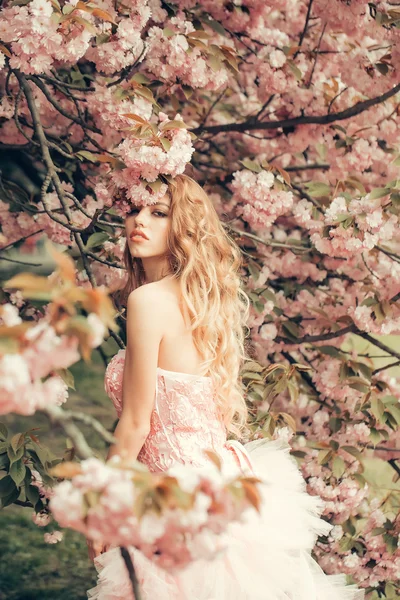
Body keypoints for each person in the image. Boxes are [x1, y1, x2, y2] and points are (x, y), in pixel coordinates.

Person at [87, 175, 363, 599]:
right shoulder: (201, 300)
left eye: (160, 213)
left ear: (184, 226)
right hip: (222, 481)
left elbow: (137, 422)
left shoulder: (149, 301)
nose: (140, 220)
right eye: (135, 210)